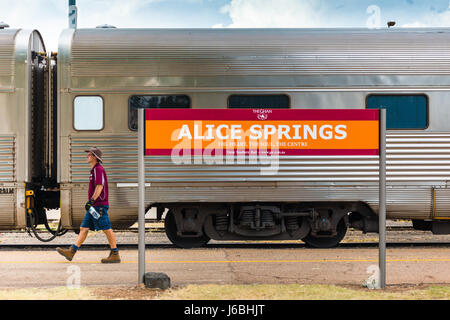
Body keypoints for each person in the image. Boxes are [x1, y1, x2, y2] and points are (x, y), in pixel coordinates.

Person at [56, 147, 120, 263]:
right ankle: (71, 251)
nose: (87, 156)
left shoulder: (98, 169)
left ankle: (115, 253)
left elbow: (99, 186)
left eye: (89, 154)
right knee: (84, 228)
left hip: (99, 205)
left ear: (95, 157)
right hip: (94, 206)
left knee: (106, 228)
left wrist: (92, 200)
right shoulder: (94, 170)